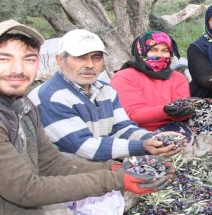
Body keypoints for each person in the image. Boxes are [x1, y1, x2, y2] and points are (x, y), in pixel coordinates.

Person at [0, 20, 169, 215]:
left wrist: (116, 168)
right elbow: (28, 190)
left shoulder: (20, 105)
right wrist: (115, 179)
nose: (18, 69)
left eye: (28, 59)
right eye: (3, 58)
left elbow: (51, 161)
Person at [29, 29, 182, 162]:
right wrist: (143, 145)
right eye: (81, 57)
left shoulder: (105, 90)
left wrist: (152, 139)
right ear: (60, 60)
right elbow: (84, 146)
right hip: (66, 177)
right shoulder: (50, 96)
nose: (90, 65)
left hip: (101, 168)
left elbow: (122, 128)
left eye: (96, 57)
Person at [111, 30, 193, 138]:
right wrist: (165, 111)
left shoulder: (178, 78)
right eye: (153, 50)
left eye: (165, 51)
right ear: (141, 52)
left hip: (172, 127)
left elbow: (181, 111)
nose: (159, 55)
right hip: (134, 130)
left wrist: (184, 111)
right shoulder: (124, 77)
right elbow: (132, 114)